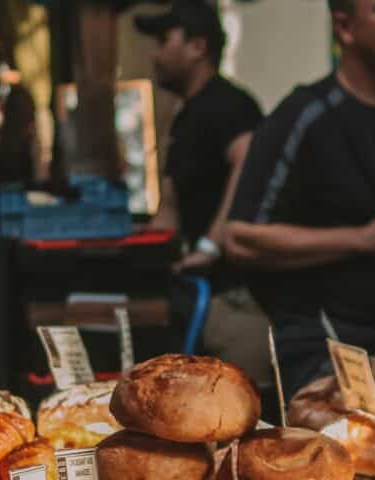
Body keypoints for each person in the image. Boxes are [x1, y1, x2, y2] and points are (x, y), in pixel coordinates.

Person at [225, 0, 375, 396]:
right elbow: (240, 236)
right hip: (328, 345)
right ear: (345, 27)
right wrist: (361, 239)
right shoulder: (305, 115)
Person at [134, 0, 270, 386]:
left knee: (242, 414)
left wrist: (212, 244)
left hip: (239, 299)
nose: (156, 54)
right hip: (200, 296)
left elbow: (249, 166)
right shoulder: (185, 117)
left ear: (197, 47)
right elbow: (172, 204)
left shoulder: (229, 104)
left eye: (164, 40)